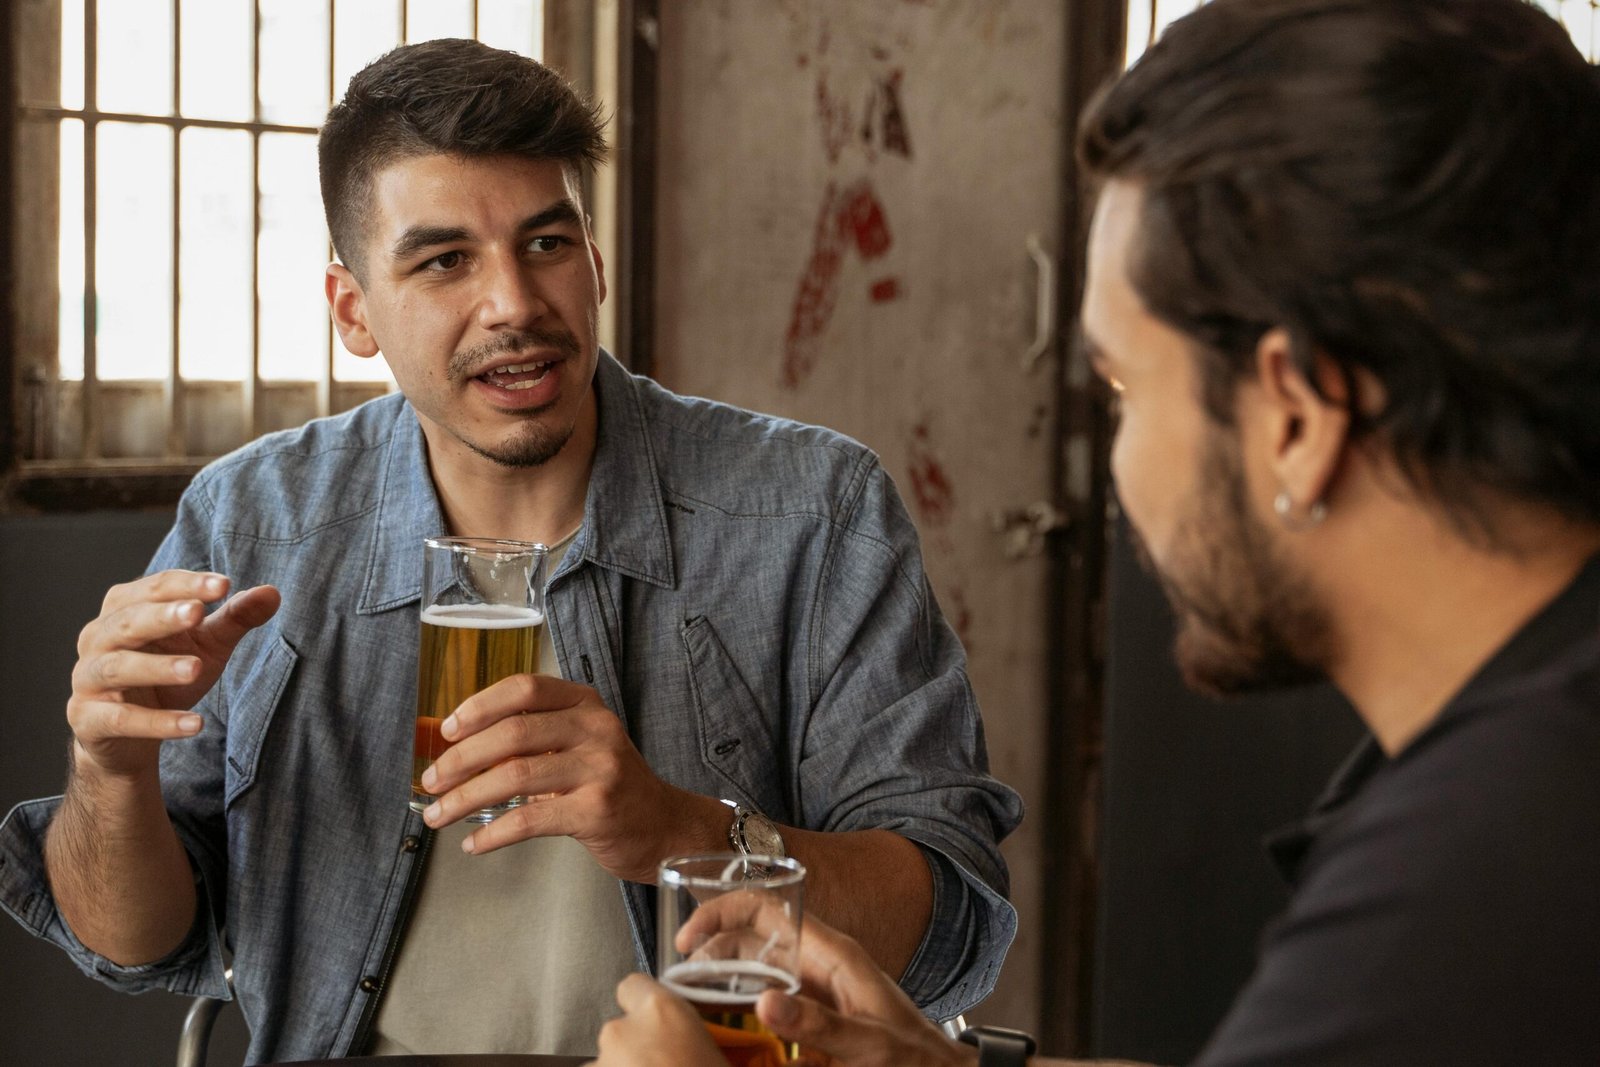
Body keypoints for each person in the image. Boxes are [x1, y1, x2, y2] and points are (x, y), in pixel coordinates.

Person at [592, 0, 1600, 1063]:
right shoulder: (1515, 760)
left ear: (1298, 418)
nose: (1120, 459)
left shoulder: (1473, 883)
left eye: (1123, 385)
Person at [0, 39, 1022, 1064]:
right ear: (353, 309)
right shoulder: (254, 518)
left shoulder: (812, 509)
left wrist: (678, 827)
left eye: (546, 243)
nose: (515, 305)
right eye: (444, 260)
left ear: (596, 260)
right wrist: (111, 772)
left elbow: (951, 927)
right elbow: (138, 941)